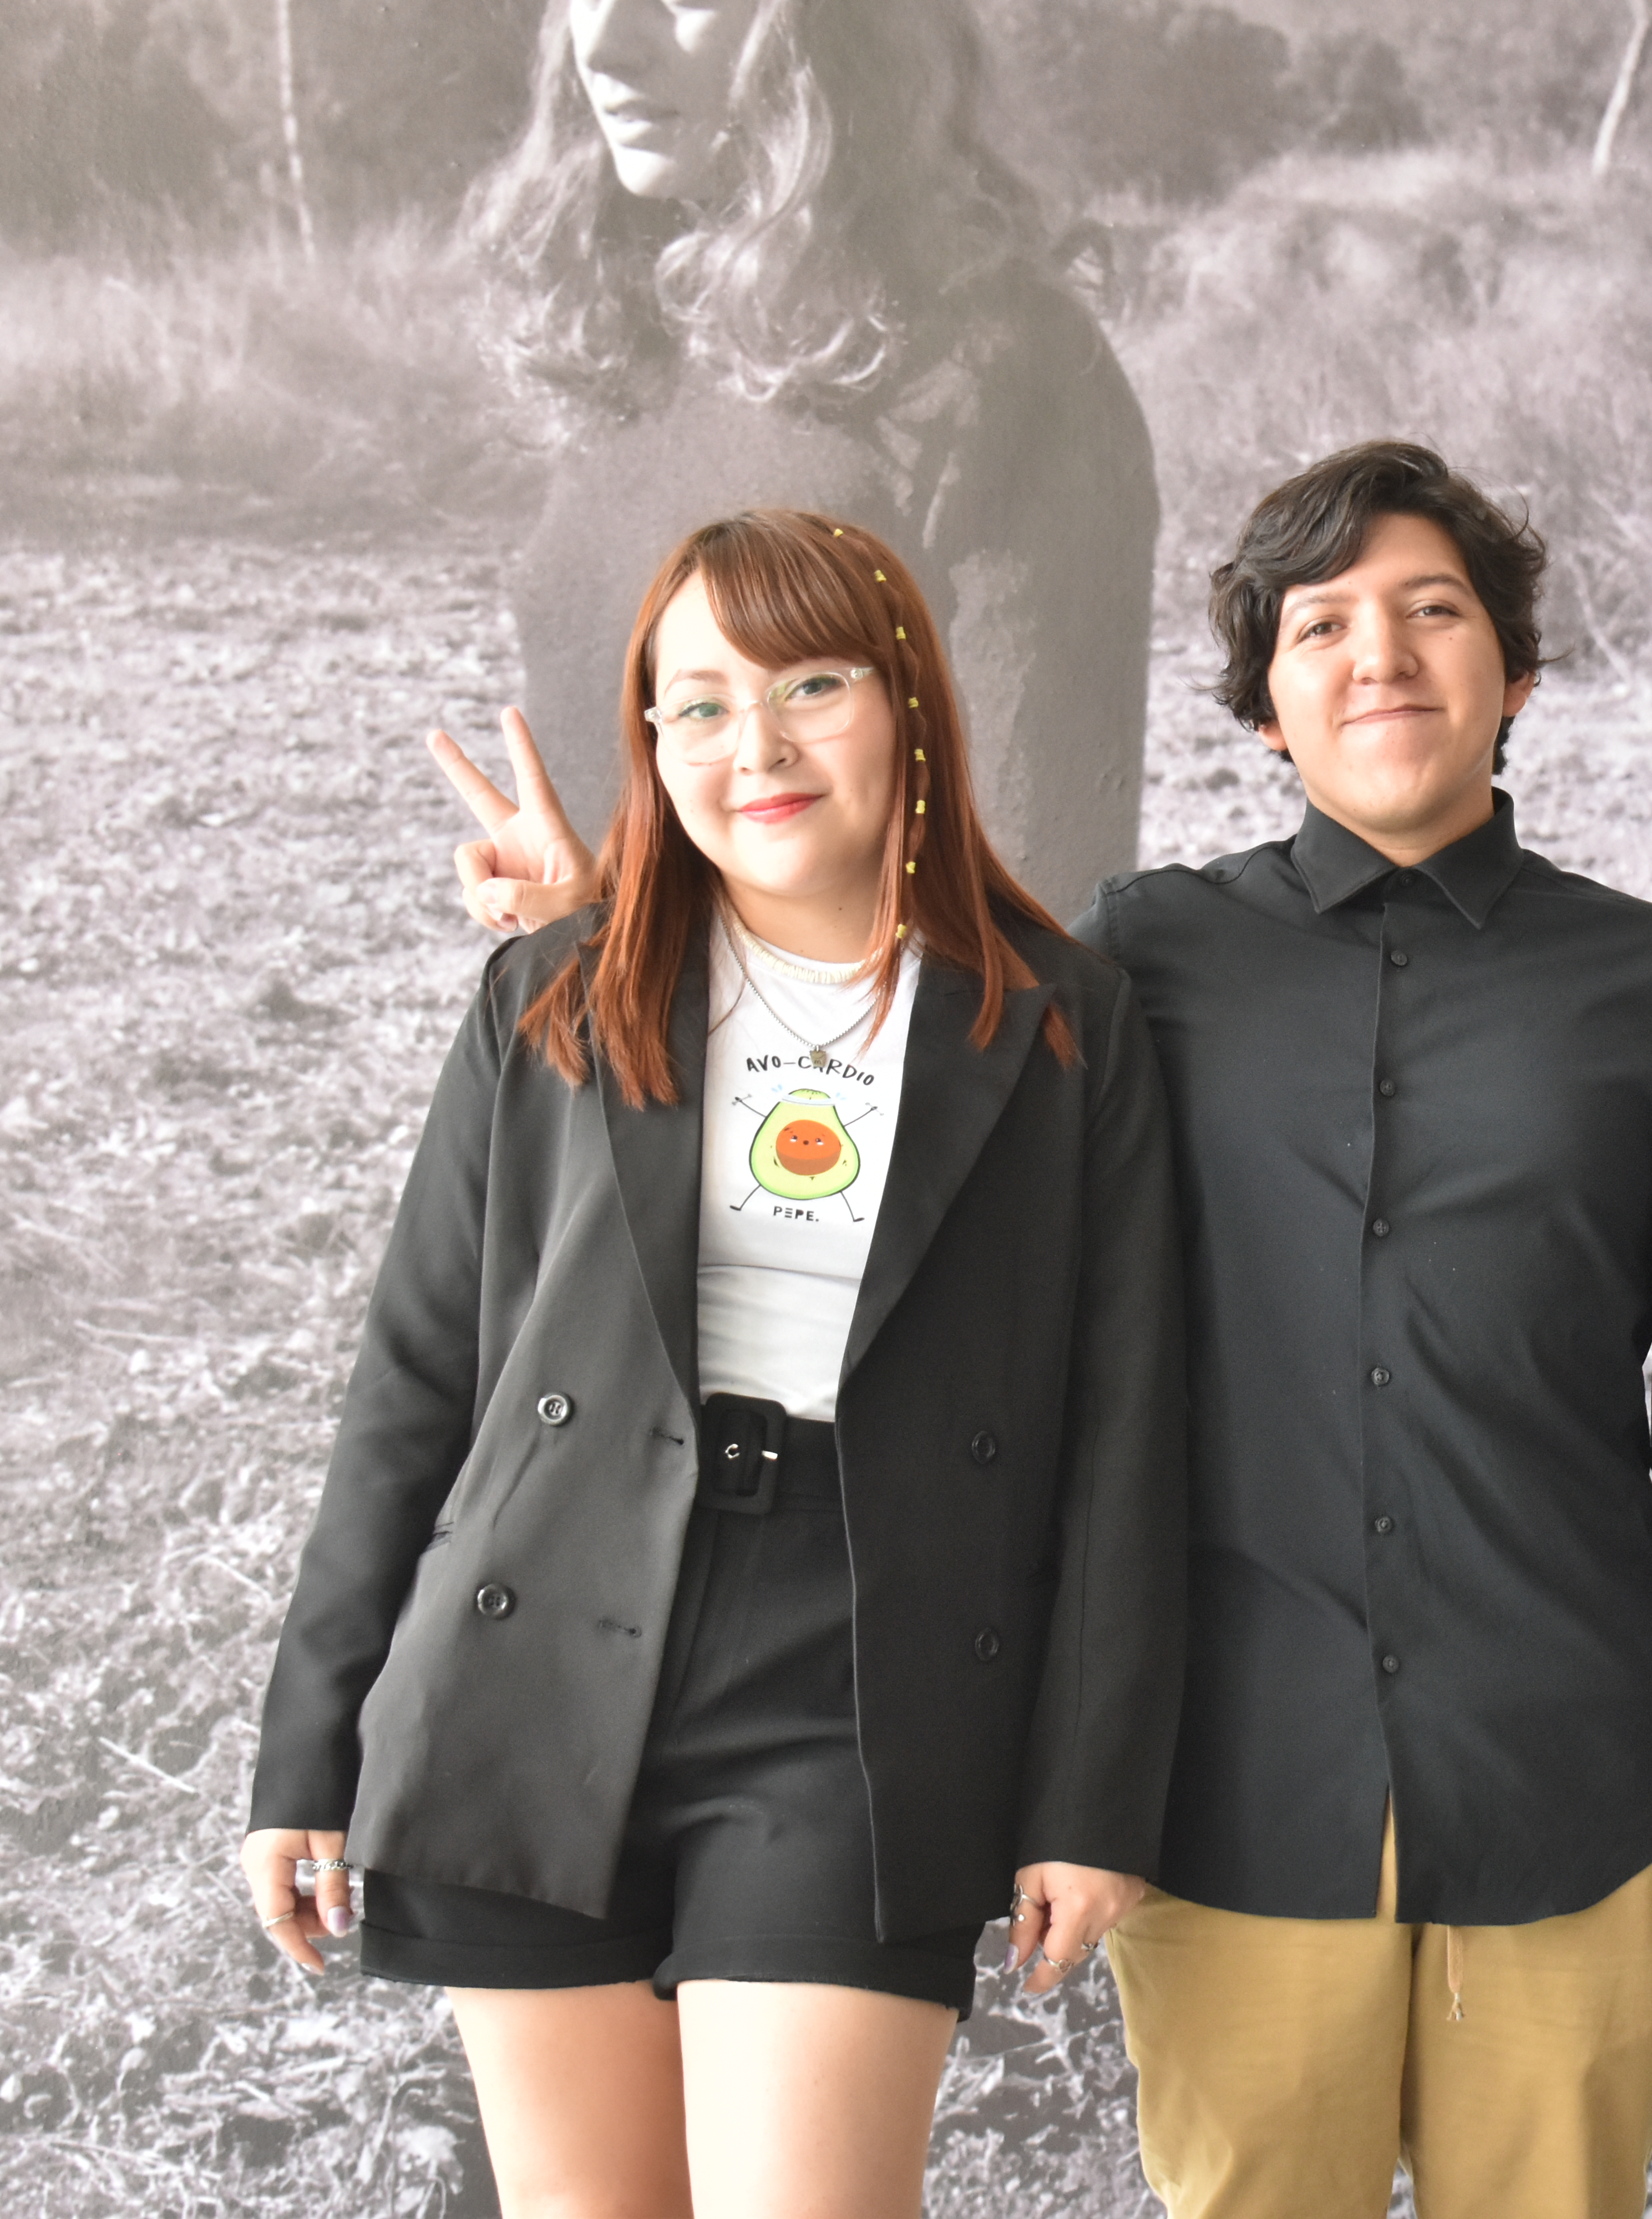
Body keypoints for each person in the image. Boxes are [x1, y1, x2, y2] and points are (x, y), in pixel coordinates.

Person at [423, 444, 1652, 2218]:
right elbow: (870, 1053)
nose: (1379, 655)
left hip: (1568, 1762)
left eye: (1432, 613)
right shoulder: (1135, 965)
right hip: (1234, 1785)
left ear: (1517, 675)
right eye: (1322, 626)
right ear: (1263, 711)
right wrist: (601, 928)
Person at [244, 509, 1185, 2218]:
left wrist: (1092, 1791)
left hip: (854, 1662)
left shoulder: (1056, 1021)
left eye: (811, 682)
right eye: (697, 704)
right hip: (539, 1650)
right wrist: (306, 1753)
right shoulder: (556, 997)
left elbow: (1128, 1433)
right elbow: (415, 1381)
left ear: (907, 701)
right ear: (651, 743)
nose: (755, 744)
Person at [465, 0, 1156, 913]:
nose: (604, 45)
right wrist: (567, 933)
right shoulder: (632, 325)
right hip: (595, 1044)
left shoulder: (1000, 376)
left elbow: (1042, 918)